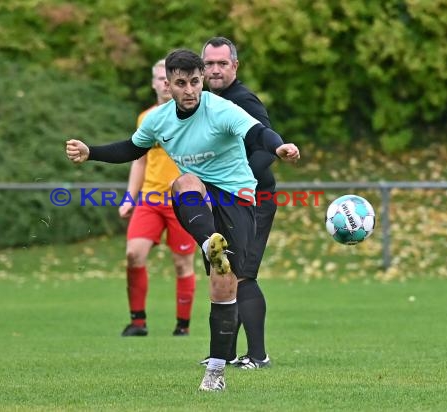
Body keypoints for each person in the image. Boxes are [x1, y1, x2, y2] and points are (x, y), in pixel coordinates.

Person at [66, 48, 300, 391]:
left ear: (201, 80)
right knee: (183, 182)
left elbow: (257, 134)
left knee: (224, 284)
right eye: (181, 83)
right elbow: (131, 149)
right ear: (168, 85)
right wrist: (92, 153)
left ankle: (217, 371)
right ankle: (209, 242)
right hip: (201, 197)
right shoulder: (159, 120)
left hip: (238, 198)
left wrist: (280, 148)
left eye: (194, 82)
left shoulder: (221, 108)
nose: (189, 90)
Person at [200, 36, 277, 369]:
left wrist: (237, 185)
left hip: (252, 199)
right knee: (224, 273)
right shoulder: (205, 102)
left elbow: (266, 149)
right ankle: (225, 353)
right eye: (209, 64)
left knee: (243, 275)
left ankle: (258, 355)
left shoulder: (243, 100)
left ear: (235, 65)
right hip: (222, 201)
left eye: (222, 63)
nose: (215, 70)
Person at [119, 59, 197, 337]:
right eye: (158, 78)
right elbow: (138, 161)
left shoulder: (192, 116)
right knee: (133, 254)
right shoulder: (146, 118)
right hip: (150, 200)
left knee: (182, 263)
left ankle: (182, 326)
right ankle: (137, 322)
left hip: (183, 201)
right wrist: (130, 197)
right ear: (153, 83)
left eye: (168, 77)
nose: (164, 82)